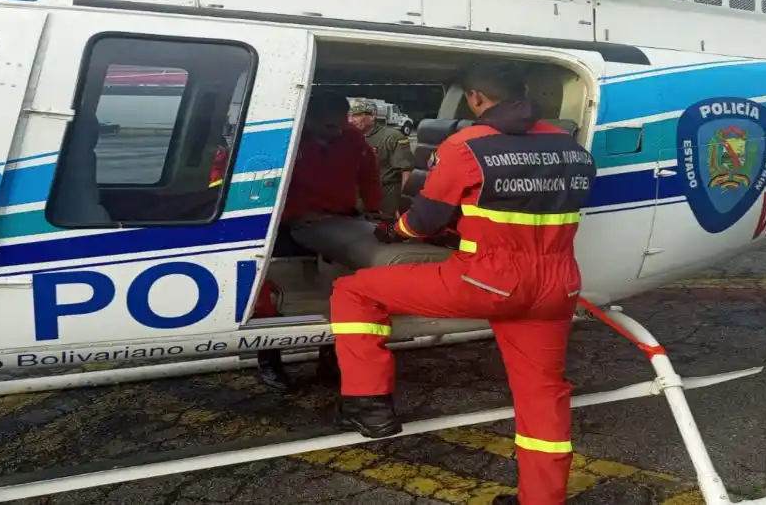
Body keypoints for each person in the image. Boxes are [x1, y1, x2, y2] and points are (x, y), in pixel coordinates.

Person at [328, 61, 597, 505]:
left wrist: (394, 230)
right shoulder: (570, 147)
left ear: (475, 98)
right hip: (557, 285)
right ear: (523, 93)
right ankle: (543, 500)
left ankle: (367, 403)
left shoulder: (468, 145)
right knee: (543, 394)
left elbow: (423, 222)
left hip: (486, 280)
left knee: (354, 290)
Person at [251, 89, 384, 391]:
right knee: (274, 295)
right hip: (289, 225)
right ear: (308, 118)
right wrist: (294, 215)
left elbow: (369, 175)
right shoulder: (287, 139)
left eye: (341, 123)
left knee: (339, 290)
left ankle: (330, 358)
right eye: (328, 125)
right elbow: (265, 183)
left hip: (339, 221)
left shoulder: (352, 139)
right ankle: (270, 360)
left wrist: (373, 210)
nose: (337, 130)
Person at [348, 98, 416, 218]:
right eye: (349, 115)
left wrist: (400, 204)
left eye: (357, 115)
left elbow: (406, 172)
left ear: (372, 116)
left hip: (385, 195)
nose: (351, 120)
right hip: (358, 194)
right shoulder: (349, 137)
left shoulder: (392, 137)